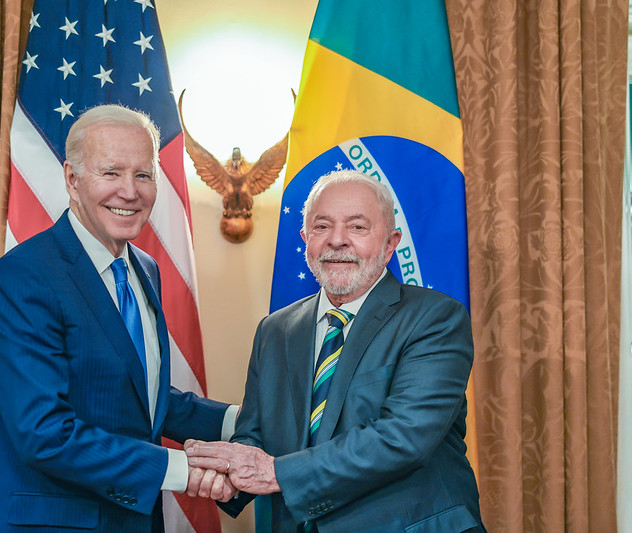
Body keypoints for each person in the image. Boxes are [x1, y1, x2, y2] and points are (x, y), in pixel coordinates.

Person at [0, 104, 237, 532]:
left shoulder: (144, 268)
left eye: (143, 175)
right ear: (73, 180)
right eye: (111, 173)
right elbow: (43, 432)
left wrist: (239, 423)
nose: (129, 192)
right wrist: (184, 470)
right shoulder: (25, 276)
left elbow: (135, 396)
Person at [185, 169, 484, 532]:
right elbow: (256, 433)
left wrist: (274, 472)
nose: (337, 240)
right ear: (305, 239)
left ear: (391, 244)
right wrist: (228, 476)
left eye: (357, 227)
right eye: (322, 226)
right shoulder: (275, 329)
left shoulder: (435, 318)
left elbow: (403, 437)